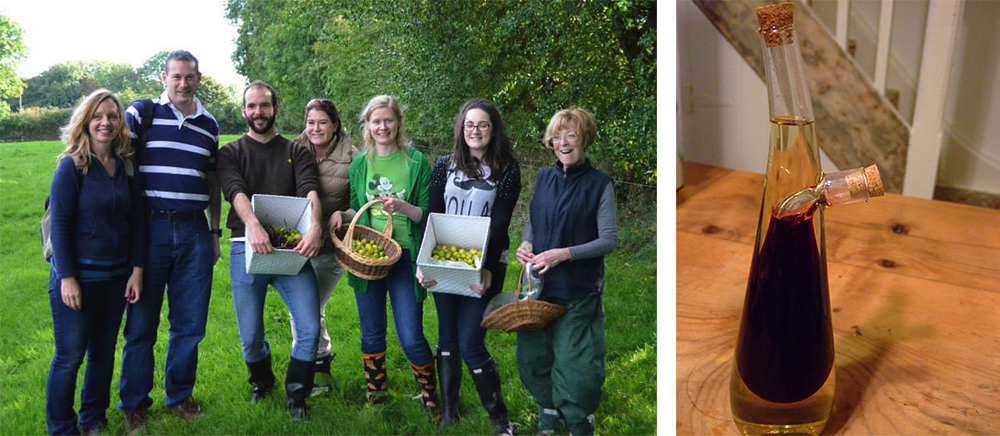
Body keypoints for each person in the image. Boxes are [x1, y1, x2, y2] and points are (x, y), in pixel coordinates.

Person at [117, 50, 221, 433]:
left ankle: (179, 396)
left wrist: (214, 231)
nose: (182, 84)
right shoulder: (141, 113)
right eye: (175, 77)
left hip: (194, 231)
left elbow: (213, 183)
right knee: (141, 323)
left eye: (189, 77)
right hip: (149, 231)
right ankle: (134, 404)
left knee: (190, 323)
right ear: (164, 77)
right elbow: (112, 152)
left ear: (199, 79)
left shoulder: (209, 125)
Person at [217, 80, 324, 418]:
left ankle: (297, 396)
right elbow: (235, 190)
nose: (258, 112)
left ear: (275, 108)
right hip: (245, 247)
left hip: (292, 248)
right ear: (244, 111)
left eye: (264, 105)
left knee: (309, 327)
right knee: (250, 335)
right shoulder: (230, 152)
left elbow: (309, 189)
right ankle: (262, 384)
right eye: (252, 106)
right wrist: (252, 224)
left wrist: (317, 225)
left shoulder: (297, 151)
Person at [415, 98, 520, 435]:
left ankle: (499, 418)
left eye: (483, 124)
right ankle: (449, 412)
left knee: (471, 340)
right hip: (445, 259)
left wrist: (487, 268)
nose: (475, 130)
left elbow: (501, 223)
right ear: (461, 128)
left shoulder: (507, 169)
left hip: (485, 263)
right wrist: (423, 262)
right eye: (469, 124)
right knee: (447, 337)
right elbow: (433, 216)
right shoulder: (445, 165)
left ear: (493, 129)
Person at [46, 89, 145, 436]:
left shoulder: (126, 168)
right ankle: (61, 427)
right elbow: (59, 224)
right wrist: (67, 278)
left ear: (121, 124)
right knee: (69, 357)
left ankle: (94, 419)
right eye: (98, 116)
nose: (105, 122)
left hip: (116, 278)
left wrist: (136, 270)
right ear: (86, 121)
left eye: (112, 117)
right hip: (78, 281)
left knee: (102, 354)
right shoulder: (71, 166)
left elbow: (137, 223)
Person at [330, 95, 437, 418]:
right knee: (372, 330)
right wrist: (341, 214)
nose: (382, 127)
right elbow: (354, 205)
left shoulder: (417, 162)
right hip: (369, 258)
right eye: (376, 122)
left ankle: (430, 395)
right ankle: (376, 393)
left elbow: (427, 215)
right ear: (367, 126)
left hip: (405, 257)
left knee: (410, 333)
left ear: (398, 123)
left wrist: (402, 207)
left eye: (388, 120)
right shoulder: (361, 163)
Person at [515, 108, 618, 436]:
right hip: (539, 288)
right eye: (557, 136)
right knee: (534, 355)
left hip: (578, 289)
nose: (563, 142)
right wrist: (526, 243)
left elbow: (608, 240)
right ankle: (548, 410)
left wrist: (565, 254)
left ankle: (577, 420)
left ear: (584, 139)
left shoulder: (599, 185)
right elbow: (534, 218)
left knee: (576, 364)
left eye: (571, 135)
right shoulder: (544, 177)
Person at [290, 98, 358, 395]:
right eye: (310, 122)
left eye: (322, 122)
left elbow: (362, 207)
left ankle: (314, 368)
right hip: (296, 245)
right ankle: (319, 363)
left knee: (308, 307)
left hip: (331, 246)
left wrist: (341, 214)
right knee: (305, 308)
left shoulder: (355, 158)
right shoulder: (293, 150)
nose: (315, 128)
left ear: (335, 125)